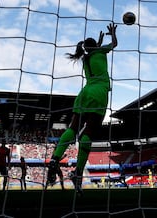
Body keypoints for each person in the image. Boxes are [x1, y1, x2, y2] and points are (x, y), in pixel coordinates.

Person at [47, 22, 118, 194]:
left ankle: (55, 159)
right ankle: (77, 172)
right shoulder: (99, 52)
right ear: (95, 46)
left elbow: (94, 50)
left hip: (84, 93)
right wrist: (112, 34)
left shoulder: (86, 58)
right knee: (89, 133)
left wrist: (97, 44)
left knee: (73, 127)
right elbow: (114, 44)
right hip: (99, 93)